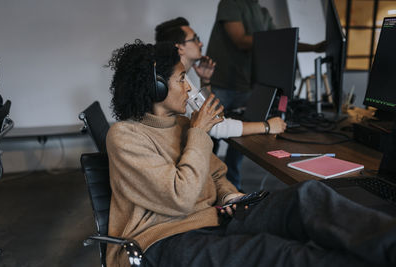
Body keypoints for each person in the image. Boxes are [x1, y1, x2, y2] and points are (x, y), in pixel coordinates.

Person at [105, 40, 396, 267]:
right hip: (166, 238)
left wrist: (230, 195)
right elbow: (179, 198)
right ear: (156, 88)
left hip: (216, 216)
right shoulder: (125, 136)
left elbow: (217, 174)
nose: (188, 88)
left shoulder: (182, 124)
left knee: (307, 197)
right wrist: (199, 132)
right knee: (282, 254)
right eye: (182, 79)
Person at [206, 0, 326, 189]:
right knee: (210, 137)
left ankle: (231, 186)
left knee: (241, 137)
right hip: (223, 82)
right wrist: (280, 39)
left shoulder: (262, 12)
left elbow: (280, 42)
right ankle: (208, 188)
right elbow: (240, 40)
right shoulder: (230, 3)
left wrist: (312, 47)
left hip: (248, 84)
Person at [155, 17, 286, 189]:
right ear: (179, 48)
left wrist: (206, 81)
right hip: (187, 177)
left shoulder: (183, 78)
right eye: (195, 39)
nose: (200, 44)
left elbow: (211, 114)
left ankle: (231, 190)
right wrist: (267, 126)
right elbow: (217, 126)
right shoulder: (174, 85)